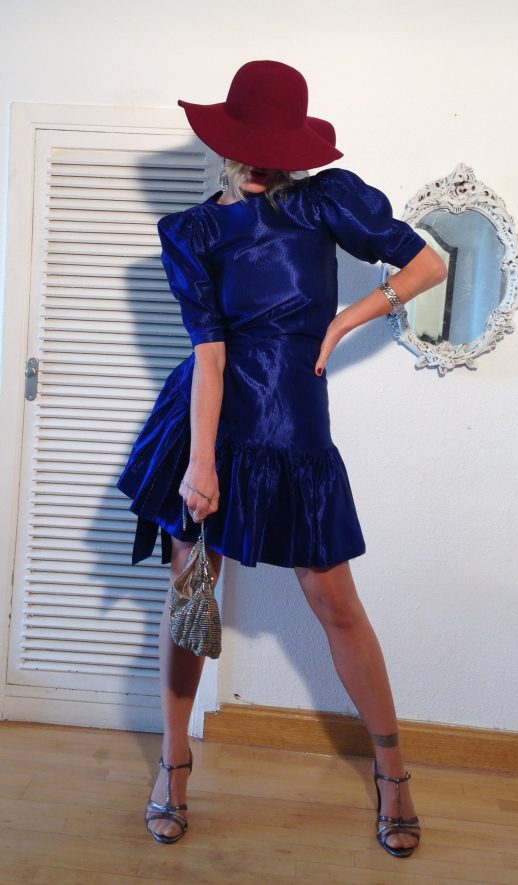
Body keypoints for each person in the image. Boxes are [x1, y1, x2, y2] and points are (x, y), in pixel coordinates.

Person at [117, 59, 447, 858]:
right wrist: (200, 463)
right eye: (251, 144)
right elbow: (210, 354)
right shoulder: (194, 231)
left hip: (294, 424)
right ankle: (174, 766)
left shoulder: (324, 202)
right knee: (191, 593)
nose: (262, 162)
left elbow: (428, 263)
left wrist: (345, 321)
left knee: (335, 600)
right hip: (212, 420)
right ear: (226, 141)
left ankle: (393, 772)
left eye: (276, 146)